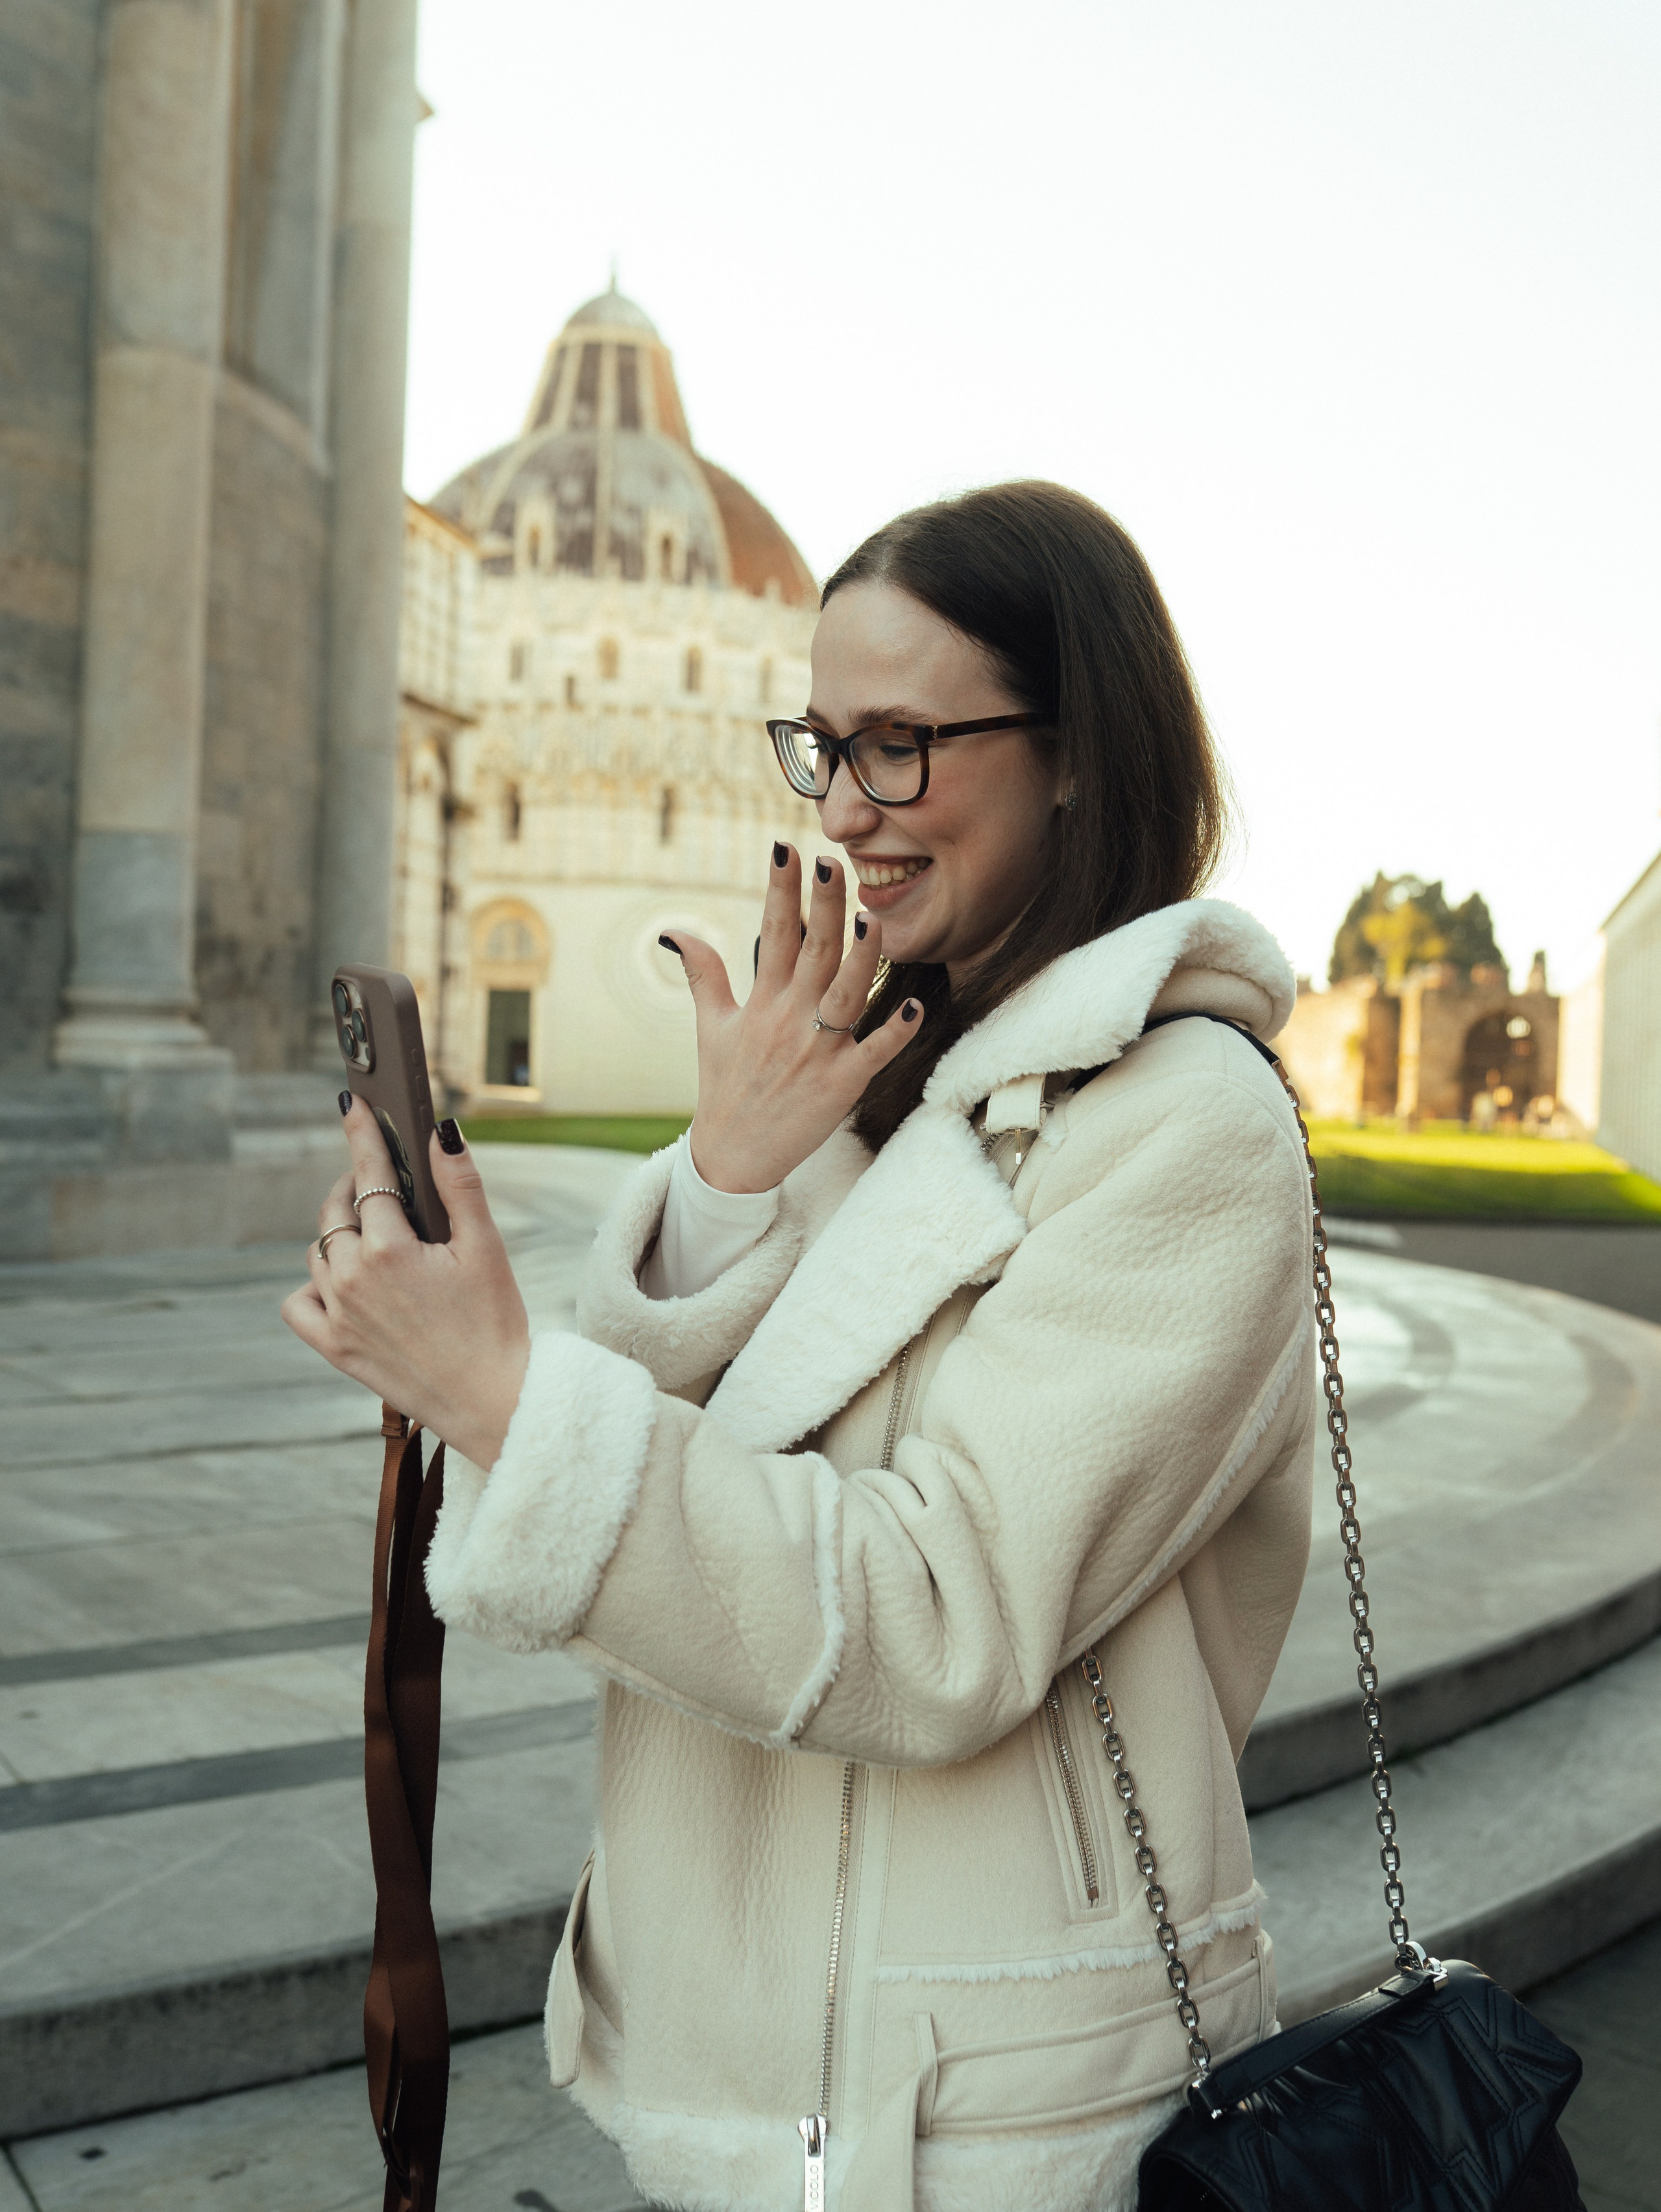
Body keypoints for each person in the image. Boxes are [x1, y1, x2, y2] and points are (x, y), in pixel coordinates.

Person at [284, 481, 1316, 2212]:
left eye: (902, 745)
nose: (846, 809)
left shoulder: (1187, 1123)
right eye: (822, 746)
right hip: (761, 2032)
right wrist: (725, 1177)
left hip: (960, 2093)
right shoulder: (893, 1086)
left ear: (1078, 751)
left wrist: (506, 1393)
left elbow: (938, 1617)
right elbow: (672, 1510)